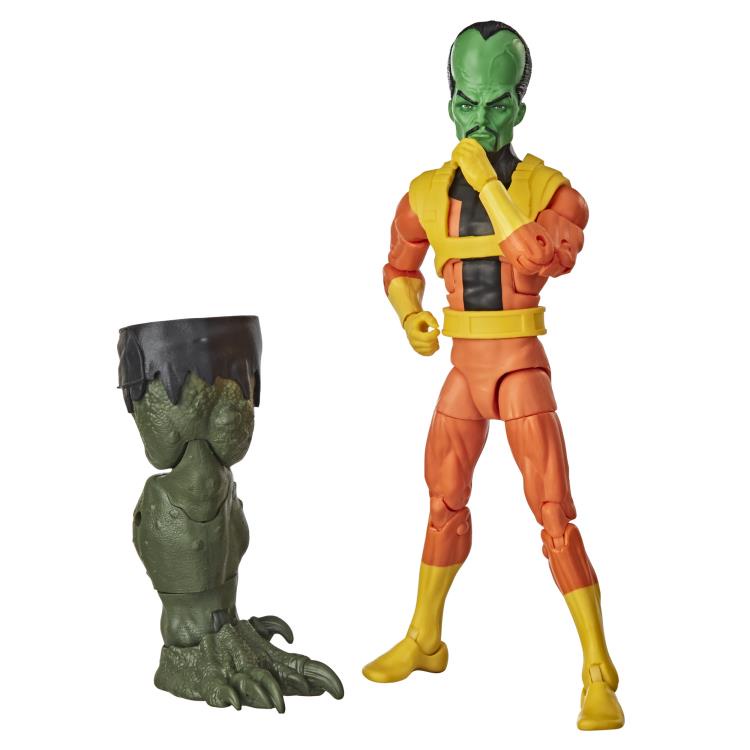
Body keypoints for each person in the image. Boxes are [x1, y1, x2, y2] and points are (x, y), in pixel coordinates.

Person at [363, 21, 624, 731]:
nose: (479, 119)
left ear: (519, 106)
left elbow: (539, 257)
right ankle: (425, 638)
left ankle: (597, 670)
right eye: (467, 102)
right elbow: (398, 266)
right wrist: (410, 314)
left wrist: (485, 180)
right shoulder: (424, 193)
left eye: (496, 103)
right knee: (442, 501)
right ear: (450, 100)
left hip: (518, 365)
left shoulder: (552, 192)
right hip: (462, 367)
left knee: (553, 512)